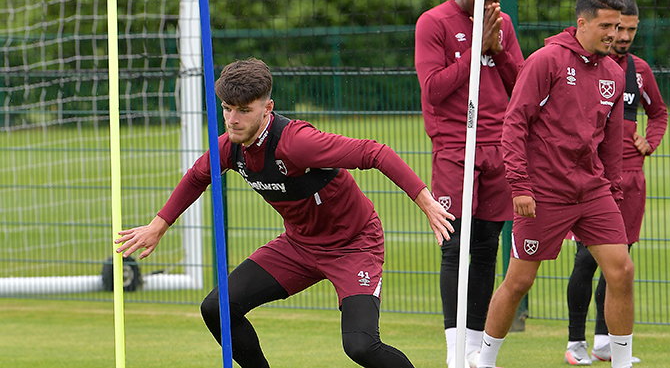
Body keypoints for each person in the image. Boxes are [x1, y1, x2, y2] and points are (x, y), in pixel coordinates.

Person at [115, 57, 456, 368]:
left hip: (353, 246)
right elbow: (196, 177)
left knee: (361, 346)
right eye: (226, 108)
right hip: (298, 246)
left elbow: (374, 152)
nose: (233, 120)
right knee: (217, 308)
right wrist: (159, 225)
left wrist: (425, 200)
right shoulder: (229, 147)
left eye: (243, 111)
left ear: (267, 109)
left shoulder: (298, 143)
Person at [476, 0, 637, 368]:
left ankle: (621, 362)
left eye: (618, 26)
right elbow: (513, 125)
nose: (614, 35)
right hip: (542, 194)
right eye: (606, 26)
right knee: (519, 282)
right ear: (582, 23)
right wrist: (519, 185)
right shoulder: (545, 61)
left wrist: (612, 192)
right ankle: (482, 361)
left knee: (622, 270)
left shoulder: (615, 73)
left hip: (593, 192)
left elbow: (611, 145)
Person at [414, 0, 524, 367]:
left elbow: (521, 82)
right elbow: (433, 90)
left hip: (498, 147)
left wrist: (496, 48)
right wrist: (474, 52)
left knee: (486, 248)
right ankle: (453, 351)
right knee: (455, 245)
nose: (492, 8)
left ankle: (476, 350)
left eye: (497, 0)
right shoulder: (433, 23)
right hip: (454, 148)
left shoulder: (503, 24)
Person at [564, 0, 668, 366]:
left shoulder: (639, 70)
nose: (623, 36)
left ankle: (604, 340)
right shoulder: (589, 65)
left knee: (619, 264)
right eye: (617, 28)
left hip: (631, 180)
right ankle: (575, 342)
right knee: (584, 262)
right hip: (591, 180)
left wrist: (649, 141)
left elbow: (658, 113)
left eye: (630, 29)